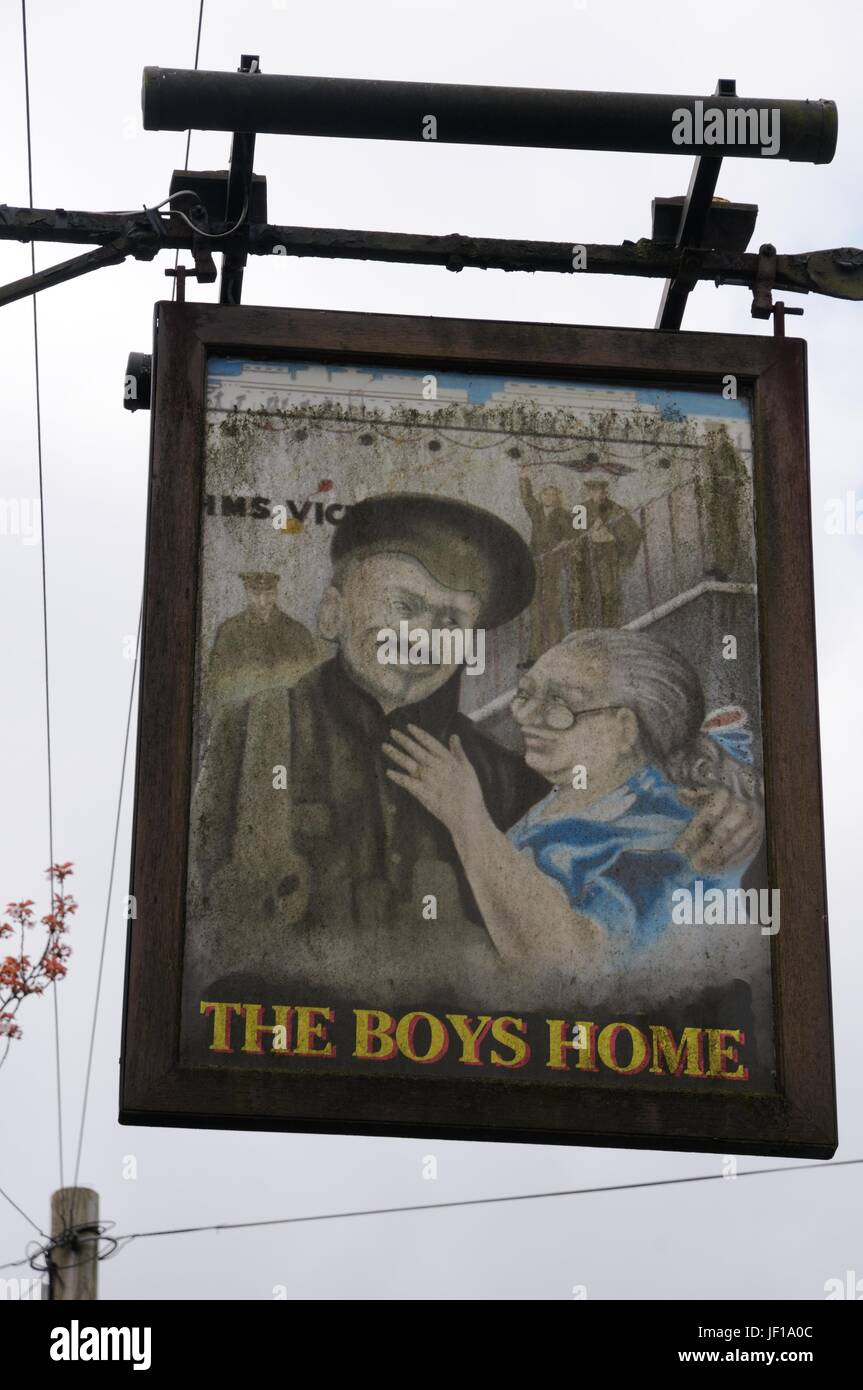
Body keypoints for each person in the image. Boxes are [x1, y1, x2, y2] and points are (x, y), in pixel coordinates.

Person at [186, 496, 763, 1015]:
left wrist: (737, 802)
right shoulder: (253, 733)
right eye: (405, 604)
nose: (423, 636)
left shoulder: (509, 777)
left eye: (451, 621)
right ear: (332, 613)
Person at [383, 628, 767, 1012]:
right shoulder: (559, 797)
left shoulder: (667, 830)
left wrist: (467, 819)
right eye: (525, 694)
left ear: (624, 729)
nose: (526, 717)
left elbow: (567, 971)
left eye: (560, 705)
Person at [206, 571, 321, 706]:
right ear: (247, 592)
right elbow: (218, 685)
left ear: (276, 592)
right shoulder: (229, 632)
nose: (262, 601)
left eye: (269, 593)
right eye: (255, 594)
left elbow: (313, 683)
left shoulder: (298, 632)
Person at [570, 479, 642, 628]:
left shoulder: (616, 509)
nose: (598, 494)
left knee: (609, 594)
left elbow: (634, 535)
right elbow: (574, 538)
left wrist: (624, 560)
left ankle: (611, 628)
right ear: (589, 492)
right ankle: (586, 630)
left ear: (605, 491)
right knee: (585, 595)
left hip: (609, 557)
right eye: (594, 490)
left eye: (601, 490)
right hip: (587, 560)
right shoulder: (581, 509)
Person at [518, 469, 573, 660]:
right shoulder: (536, 512)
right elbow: (527, 498)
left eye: (553, 494)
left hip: (552, 565)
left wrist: (564, 543)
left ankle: (558, 651)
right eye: (546, 494)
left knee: (551, 608)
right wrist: (524, 478)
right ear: (541, 497)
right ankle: (534, 656)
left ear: (557, 497)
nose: (549, 497)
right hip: (536, 563)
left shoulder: (563, 515)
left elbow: (571, 535)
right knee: (535, 611)